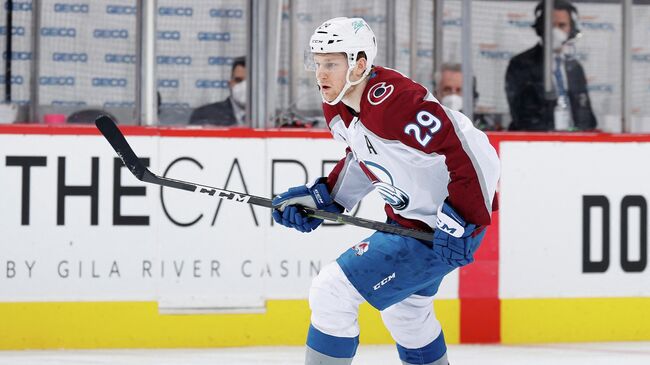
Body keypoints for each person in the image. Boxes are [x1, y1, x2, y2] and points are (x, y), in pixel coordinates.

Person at [272, 17, 500, 365]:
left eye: (331, 64)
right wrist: (327, 196)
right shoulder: (338, 104)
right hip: (410, 225)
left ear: (359, 64)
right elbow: (365, 155)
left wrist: (464, 218)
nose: (320, 75)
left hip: (442, 230)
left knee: (331, 292)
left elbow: (474, 149)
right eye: (317, 63)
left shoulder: (396, 103)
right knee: (407, 314)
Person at [505, 0, 597, 131]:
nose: (556, 31)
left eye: (562, 25)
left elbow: (585, 113)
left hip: (574, 141)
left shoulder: (575, 67)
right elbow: (520, 114)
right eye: (551, 25)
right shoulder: (520, 64)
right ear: (541, 27)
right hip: (537, 142)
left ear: (571, 29)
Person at [434, 62, 499, 130]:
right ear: (437, 92)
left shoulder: (482, 126)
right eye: (447, 89)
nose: (453, 95)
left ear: (471, 95)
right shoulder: (426, 123)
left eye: (459, 90)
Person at [189, 56, 246, 126]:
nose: (244, 86)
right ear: (230, 84)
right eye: (238, 80)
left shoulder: (263, 118)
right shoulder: (205, 115)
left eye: (250, 82)